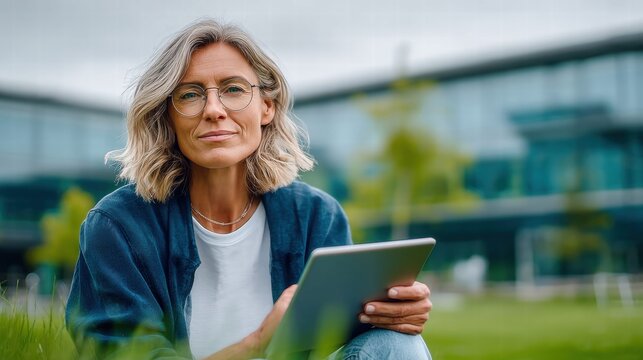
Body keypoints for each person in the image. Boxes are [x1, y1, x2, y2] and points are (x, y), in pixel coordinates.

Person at [66, 19, 432, 360]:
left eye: (233, 89)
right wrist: (259, 342)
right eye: (190, 95)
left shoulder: (316, 216)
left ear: (266, 107)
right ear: (168, 115)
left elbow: (349, 338)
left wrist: (394, 312)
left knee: (397, 342)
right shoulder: (118, 226)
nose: (214, 109)